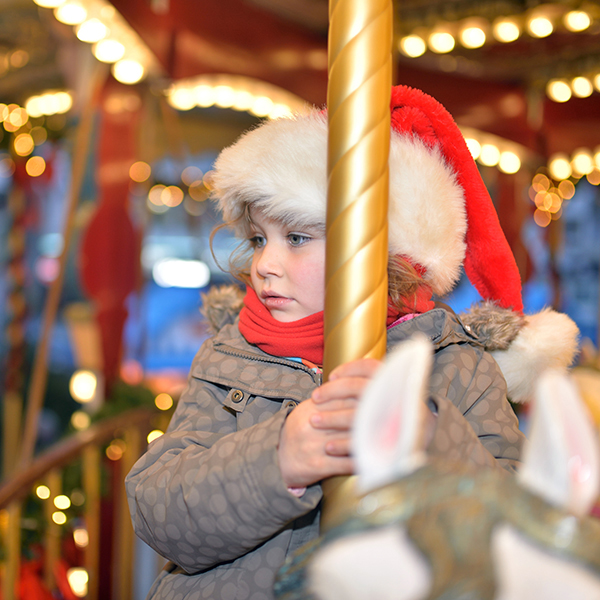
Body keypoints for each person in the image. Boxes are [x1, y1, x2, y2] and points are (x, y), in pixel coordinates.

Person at [125, 85, 579, 600]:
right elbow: (157, 509)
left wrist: (429, 437)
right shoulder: (232, 357)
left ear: (380, 246)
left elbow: (513, 530)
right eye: (258, 240)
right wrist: (277, 460)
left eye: (296, 237)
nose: (263, 265)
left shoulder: (456, 366)